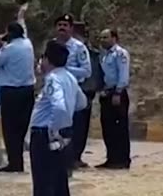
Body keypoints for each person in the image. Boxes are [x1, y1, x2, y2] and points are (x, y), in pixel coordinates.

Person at [20, 41, 81, 196]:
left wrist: (55, 129)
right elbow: (80, 103)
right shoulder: (71, 78)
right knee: (60, 190)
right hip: (61, 139)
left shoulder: (53, 79)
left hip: (46, 137)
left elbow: (61, 107)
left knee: (44, 191)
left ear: (47, 60)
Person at [0, 14, 36, 173]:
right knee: (21, 128)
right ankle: (18, 160)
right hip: (28, 90)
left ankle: (14, 162)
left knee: (10, 128)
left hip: (10, 91)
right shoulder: (28, 44)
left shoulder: (9, 49)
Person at [55, 15, 93, 170]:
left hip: (73, 89)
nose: (62, 28)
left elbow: (86, 71)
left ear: (71, 28)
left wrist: (65, 70)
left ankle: (74, 157)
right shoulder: (52, 45)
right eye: (59, 25)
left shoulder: (78, 47)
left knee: (75, 126)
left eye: (65, 25)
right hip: (56, 89)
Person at [97, 29, 131, 169]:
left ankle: (122, 159)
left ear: (114, 38)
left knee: (120, 128)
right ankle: (111, 158)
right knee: (108, 128)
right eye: (101, 37)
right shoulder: (105, 56)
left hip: (117, 94)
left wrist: (118, 92)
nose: (103, 40)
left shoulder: (120, 54)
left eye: (106, 37)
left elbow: (123, 74)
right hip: (107, 93)